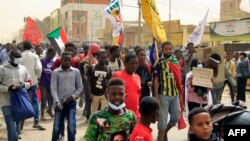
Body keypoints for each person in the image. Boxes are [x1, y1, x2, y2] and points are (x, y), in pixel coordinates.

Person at [153, 41, 183, 141]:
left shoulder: (176, 62)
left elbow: (178, 77)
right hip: (163, 95)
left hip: (175, 95)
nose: (168, 51)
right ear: (162, 50)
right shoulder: (159, 62)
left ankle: (164, 132)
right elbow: (155, 81)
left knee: (176, 117)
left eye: (170, 49)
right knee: (162, 120)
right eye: (166, 49)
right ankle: (161, 138)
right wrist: (156, 97)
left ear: (172, 50)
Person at [0, 48, 32, 141]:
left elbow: (29, 81)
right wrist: (8, 88)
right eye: (17, 57)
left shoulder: (23, 68)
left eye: (20, 57)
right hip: (6, 102)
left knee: (16, 125)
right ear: (11, 57)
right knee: (11, 125)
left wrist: (24, 85)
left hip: (19, 101)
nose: (19, 59)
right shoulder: (2, 69)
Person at [51, 51, 83, 141]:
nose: (67, 62)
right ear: (61, 61)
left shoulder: (76, 72)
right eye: (65, 60)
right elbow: (53, 88)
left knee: (71, 127)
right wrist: (56, 101)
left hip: (71, 103)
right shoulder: (56, 72)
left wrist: (72, 96)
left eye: (69, 60)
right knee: (57, 127)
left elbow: (80, 87)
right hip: (59, 103)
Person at [20, 40, 45, 130]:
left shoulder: (20, 56)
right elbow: (38, 68)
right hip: (33, 82)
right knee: (35, 101)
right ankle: (36, 121)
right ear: (31, 47)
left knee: (22, 102)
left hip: (22, 83)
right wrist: (37, 77)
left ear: (23, 47)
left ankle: (20, 125)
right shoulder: (34, 56)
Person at [112, 53, 141, 119]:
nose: (135, 66)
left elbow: (138, 96)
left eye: (136, 64)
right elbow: (108, 94)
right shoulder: (117, 76)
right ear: (125, 63)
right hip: (120, 115)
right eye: (132, 63)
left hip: (135, 115)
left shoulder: (138, 77)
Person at [39, 48, 56, 120]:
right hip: (43, 83)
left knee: (51, 98)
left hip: (51, 83)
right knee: (44, 98)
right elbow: (38, 70)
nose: (54, 56)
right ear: (48, 53)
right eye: (53, 54)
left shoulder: (53, 62)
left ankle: (49, 110)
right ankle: (42, 114)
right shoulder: (42, 61)